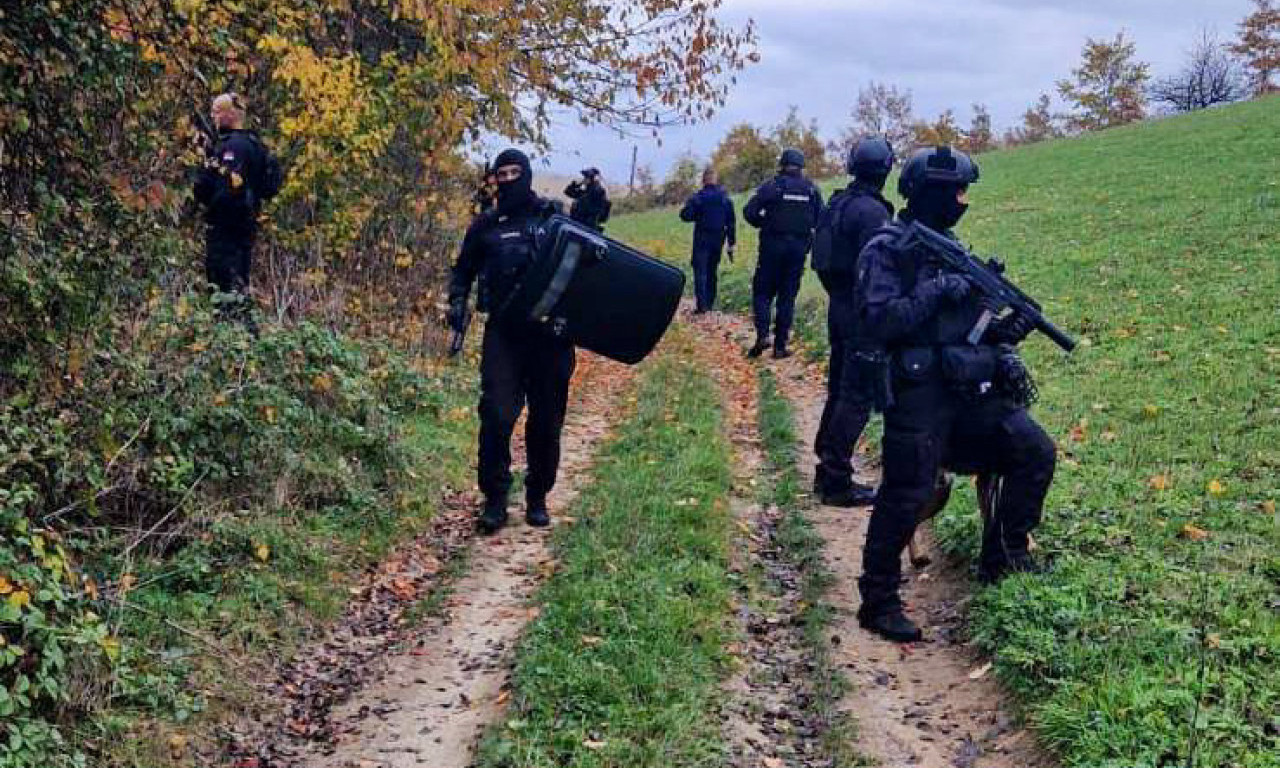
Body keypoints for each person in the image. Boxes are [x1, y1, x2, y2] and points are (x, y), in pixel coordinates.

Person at [853, 145, 1057, 642]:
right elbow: (880, 321)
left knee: (1033, 449)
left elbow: (976, 332)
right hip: (918, 396)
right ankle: (878, 600)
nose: (965, 200)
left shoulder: (951, 250)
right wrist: (936, 290)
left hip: (971, 397)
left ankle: (1005, 557)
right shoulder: (887, 249)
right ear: (933, 193)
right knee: (908, 493)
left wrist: (1011, 329)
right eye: (958, 191)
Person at [447, 149, 572, 533]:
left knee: (547, 422)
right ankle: (496, 499)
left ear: (528, 174)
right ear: (494, 178)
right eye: (502, 173)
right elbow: (462, 272)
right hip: (504, 333)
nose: (509, 179)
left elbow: (584, 265)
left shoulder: (552, 219)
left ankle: (537, 497)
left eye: (516, 171)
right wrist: (457, 306)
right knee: (497, 416)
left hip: (551, 335)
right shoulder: (486, 226)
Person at [812, 137, 895, 507]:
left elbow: (823, 262)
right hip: (860, 313)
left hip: (839, 307)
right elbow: (879, 267)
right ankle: (836, 481)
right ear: (885, 170)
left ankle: (826, 471)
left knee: (839, 392)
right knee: (856, 397)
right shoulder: (872, 213)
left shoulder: (837, 204)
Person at [192, 92, 282, 303]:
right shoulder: (254, 144)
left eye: (216, 111)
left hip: (228, 230)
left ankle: (237, 331)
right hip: (245, 227)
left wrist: (212, 204)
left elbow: (226, 192)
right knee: (238, 283)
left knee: (225, 286)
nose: (213, 116)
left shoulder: (233, 147)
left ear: (229, 115)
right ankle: (240, 330)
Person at [743, 148, 823, 358]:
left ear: (782, 165)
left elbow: (749, 212)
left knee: (762, 293)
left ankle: (762, 335)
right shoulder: (812, 190)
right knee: (787, 298)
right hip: (798, 251)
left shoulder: (772, 186)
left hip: (772, 248)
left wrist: (764, 223)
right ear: (801, 166)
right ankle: (780, 347)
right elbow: (820, 219)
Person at [679, 167, 737, 314]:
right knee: (712, 270)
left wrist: (696, 214)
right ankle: (710, 304)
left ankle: (702, 306)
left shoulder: (698, 197)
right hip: (718, 238)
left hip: (702, 237)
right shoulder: (725, 198)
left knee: (700, 271)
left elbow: (685, 216)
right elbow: (731, 222)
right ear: (716, 179)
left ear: (703, 180)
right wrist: (731, 242)